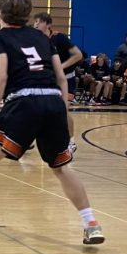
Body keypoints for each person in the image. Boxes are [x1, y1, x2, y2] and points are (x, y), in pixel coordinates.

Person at [0, 0, 103, 247]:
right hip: (53, 101)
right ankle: (91, 223)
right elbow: (61, 77)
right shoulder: (42, 37)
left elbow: (0, 76)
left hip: (23, 102)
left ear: (0, 13)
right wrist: (61, 108)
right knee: (61, 167)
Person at [33, 12, 83, 152]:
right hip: (49, 81)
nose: (36, 24)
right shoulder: (36, 40)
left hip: (66, 80)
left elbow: (78, 55)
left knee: (63, 111)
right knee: (37, 110)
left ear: (48, 24)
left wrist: (60, 67)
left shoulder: (59, 38)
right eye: (35, 22)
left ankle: (71, 142)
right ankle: (30, 138)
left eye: (39, 22)